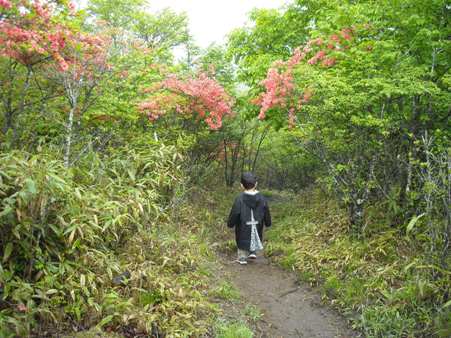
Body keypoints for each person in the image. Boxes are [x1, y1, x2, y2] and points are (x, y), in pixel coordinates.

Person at [227, 172, 272, 265]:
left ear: (241, 185)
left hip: (243, 227)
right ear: (256, 184)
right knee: (255, 234)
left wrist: (230, 223)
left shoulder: (239, 198)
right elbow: (266, 211)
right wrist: (268, 222)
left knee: (242, 239)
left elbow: (235, 212)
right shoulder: (262, 198)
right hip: (257, 224)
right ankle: (252, 252)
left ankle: (242, 257)